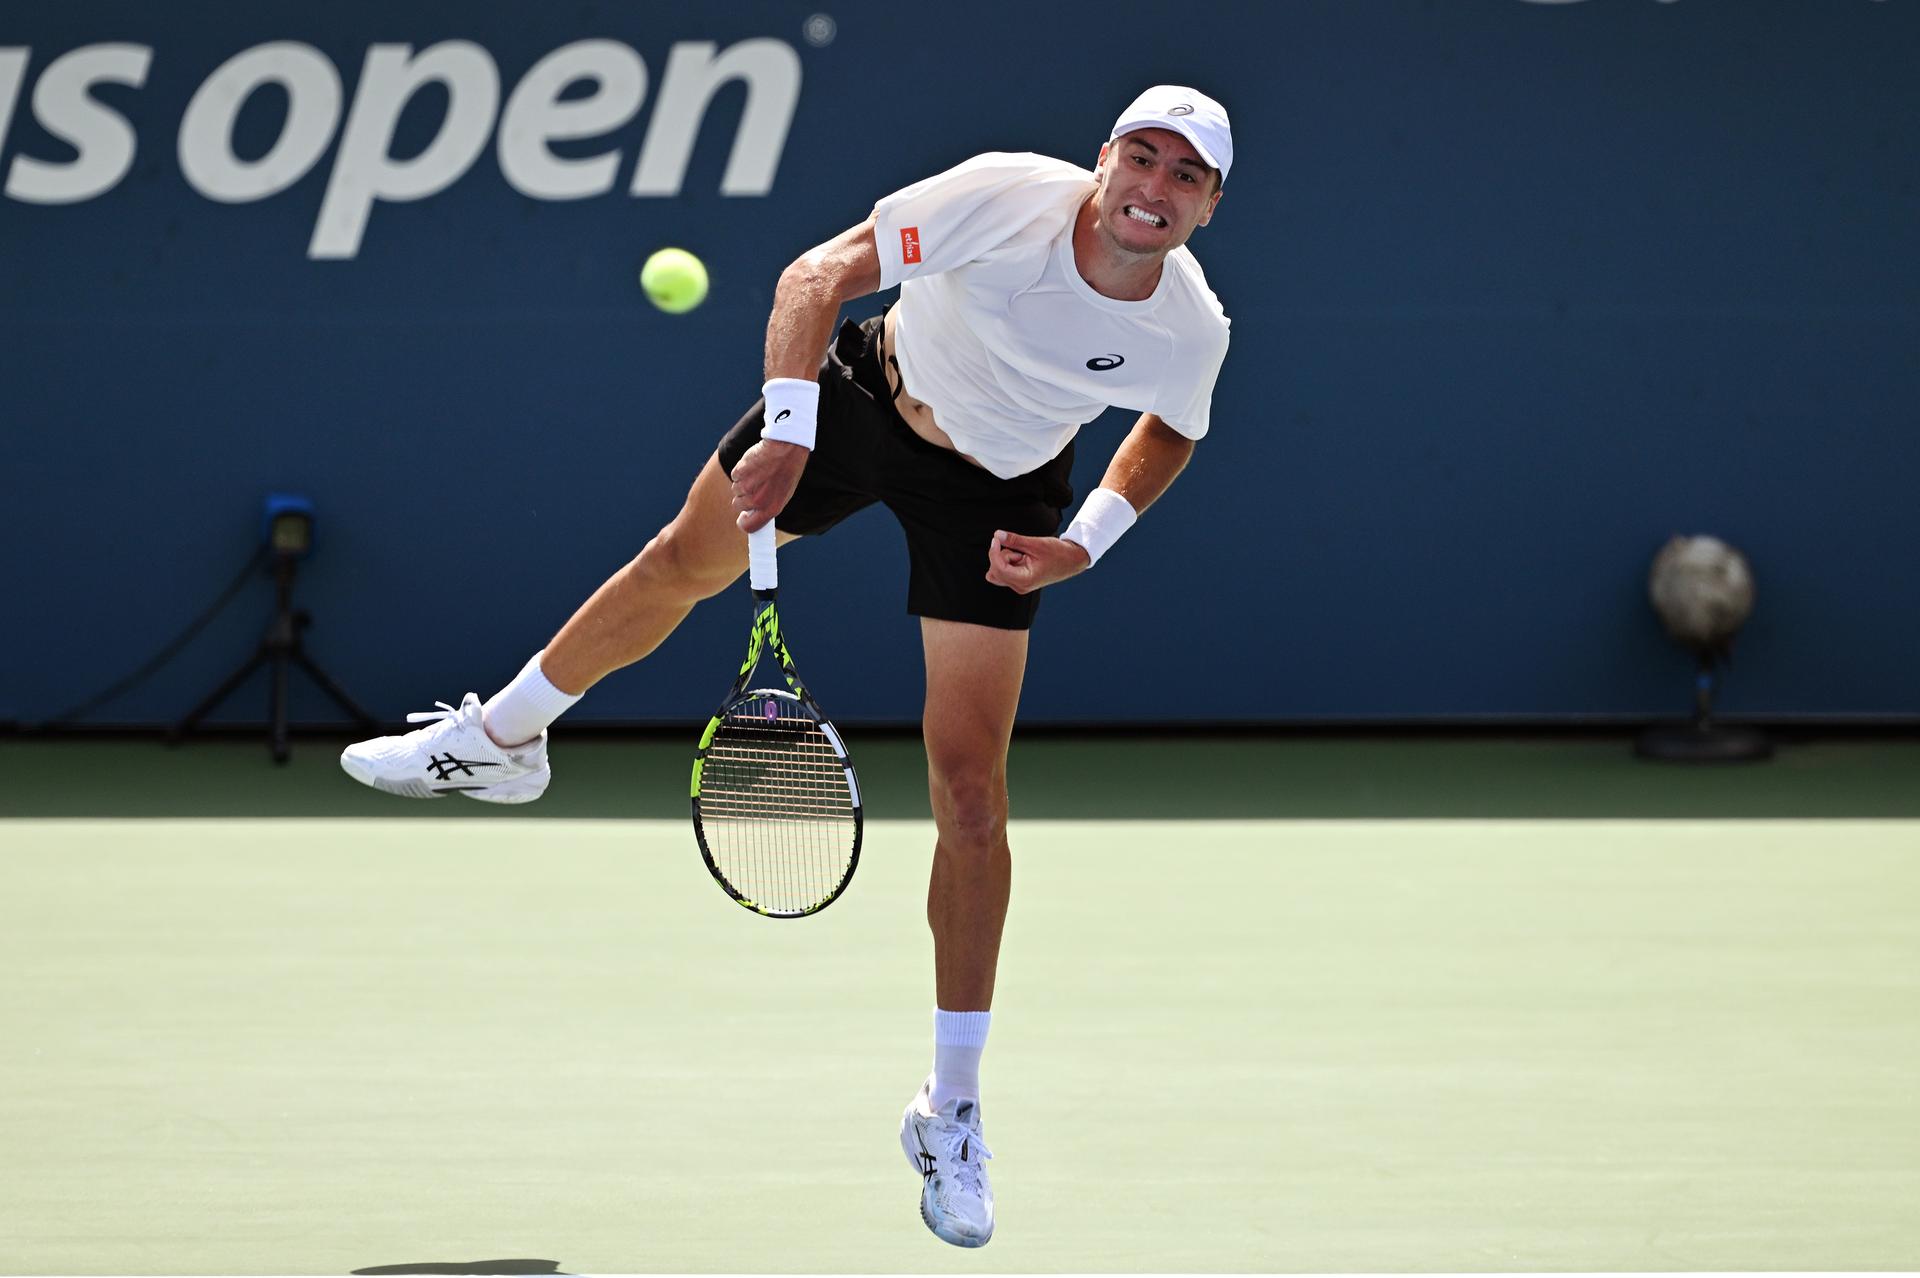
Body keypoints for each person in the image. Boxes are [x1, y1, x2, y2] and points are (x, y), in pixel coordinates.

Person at [341, 84, 1232, 1249]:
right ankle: (503, 741)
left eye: (1185, 177)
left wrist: (1086, 541)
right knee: (680, 561)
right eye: (1143, 159)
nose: (1154, 190)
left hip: (1002, 492)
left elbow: (1173, 424)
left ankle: (950, 1111)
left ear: (1208, 208)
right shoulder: (1006, 196)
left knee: (971, 796)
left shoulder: (1190, 329)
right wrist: (793, 424)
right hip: (864, 399)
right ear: (1103, 159)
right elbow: (818, 276)